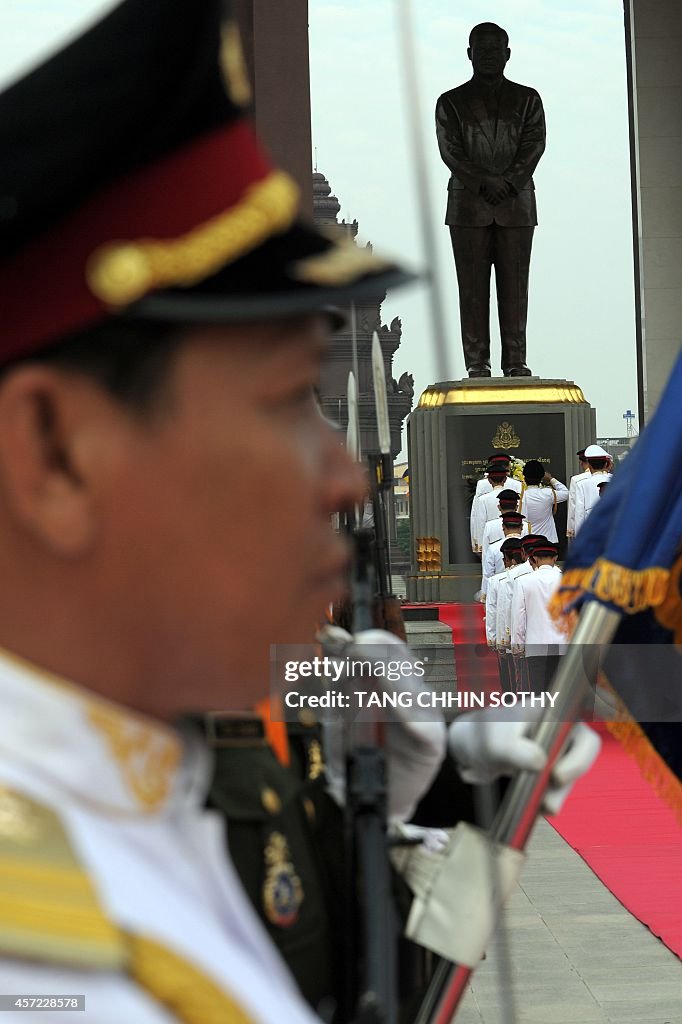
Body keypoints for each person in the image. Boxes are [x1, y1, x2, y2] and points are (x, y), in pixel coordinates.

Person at [0, 5, 601, 1020]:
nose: (346, 479)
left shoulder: (209, 784)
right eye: (286, 404)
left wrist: (443, 819)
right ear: (57, 454)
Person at [436, 22, 546, 377]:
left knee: (515, 290)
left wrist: (509, 182)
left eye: (494, 50)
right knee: (471, 290)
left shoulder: (528, 99)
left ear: (507, 54)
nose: (487, 56)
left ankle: (515, 361)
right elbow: (450, 151)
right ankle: (476, 362)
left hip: (516, 206)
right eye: (480, 50)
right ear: (469, 54)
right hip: (468, 205)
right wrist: (485, 182)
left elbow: (534, 145)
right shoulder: (450, 102)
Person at [511, 541, 567, 694]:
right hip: (564, 643)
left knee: (537, 690)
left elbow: (518, 616)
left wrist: (518, 646)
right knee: (560, 691)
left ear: (533, 559)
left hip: (536, 643)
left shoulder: (523, 581)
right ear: (555, 558)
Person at [519, 459, 569, 542]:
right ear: (541, 477)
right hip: (548, 541)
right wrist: (551, 479)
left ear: (524, 477)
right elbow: (566, 493)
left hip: (528, 541)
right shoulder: (548, 493)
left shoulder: (521, 496)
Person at [481, 509, 526, 596]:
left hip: (500, 591)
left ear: (503, 527)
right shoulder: (528, 546)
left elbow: (488, 574)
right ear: (522, 527)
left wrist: (486, 596)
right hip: (525, 592)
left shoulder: (493, 548)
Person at [573, 444, 613, 535]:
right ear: (606, 464)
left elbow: (579, 514)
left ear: (589, 466)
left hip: (591, 531)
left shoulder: (581, 484)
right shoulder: (616, 481)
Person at [566, 448, 591, 539]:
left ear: (581, 462)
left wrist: (571, 531)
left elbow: (573, 506)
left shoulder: (576, 480)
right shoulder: (610, 478)